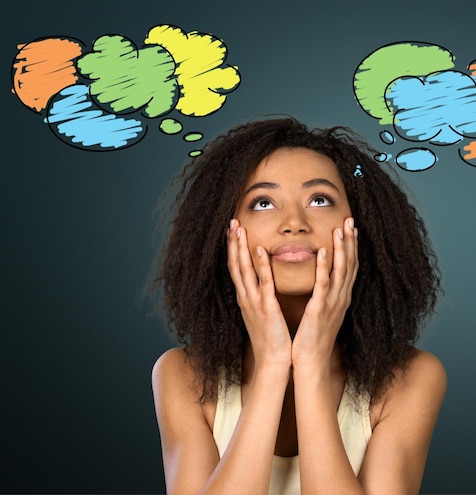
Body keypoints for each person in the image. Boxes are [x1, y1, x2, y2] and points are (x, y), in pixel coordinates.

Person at [149, 116, 447, 495]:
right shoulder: (181, 375)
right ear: (221, 232)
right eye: (263, 202)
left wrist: (309, 365)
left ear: (362, 227)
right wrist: (274, 363)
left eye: (319, 199)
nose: (294, 223)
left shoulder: (411, 378)